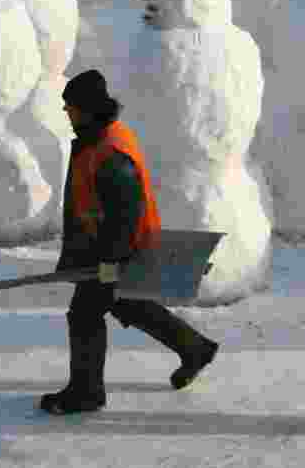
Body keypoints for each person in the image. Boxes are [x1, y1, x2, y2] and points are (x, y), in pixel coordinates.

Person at [40, 69, 220, 415]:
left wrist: (111, 262)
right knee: (127, 304)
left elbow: (126, 214)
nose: (66, 112)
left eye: (70, 106)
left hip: (118, 251)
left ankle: (86, 392)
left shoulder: (110, 153)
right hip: (110, 249)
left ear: (88, 109)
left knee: (84, 313)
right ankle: (194, 348)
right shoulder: (100, 138)